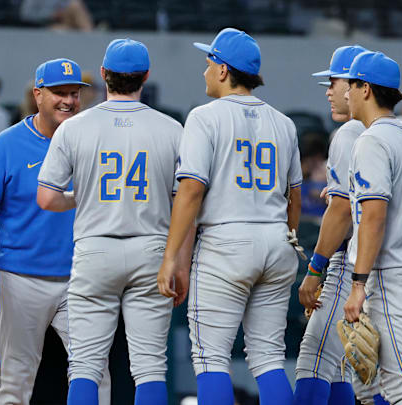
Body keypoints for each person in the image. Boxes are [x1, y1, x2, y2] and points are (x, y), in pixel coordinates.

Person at [37, 39, 188, 405]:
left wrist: (83, 196)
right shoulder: (171, 128)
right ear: (145, 77)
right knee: (150, 367)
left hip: (95, 248)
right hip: (152, 249)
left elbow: (46, 197)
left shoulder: (74, 127)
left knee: (86, 365)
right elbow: (183, 199)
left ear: (104, 74)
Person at [157, 28, 302, 405]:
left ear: (223, 70)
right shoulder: (284, 123)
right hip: (277, 239)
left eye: (209, 64)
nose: (204, 71)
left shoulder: (205, 117)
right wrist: (284, 238)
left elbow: (190, 191)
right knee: (269, 357)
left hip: (226, 241)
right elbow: (295, 197)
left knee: (211, 358)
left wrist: (171, 256)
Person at [0, 58, 111, 405]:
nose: (68, 101)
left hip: (79, 277)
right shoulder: (7, 144)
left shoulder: (93, 142)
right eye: (59, 92)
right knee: (15, 382)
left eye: (74, 93)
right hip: (18, 277)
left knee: (96, 373)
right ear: (38, 94)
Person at [336, 51, 402, 405]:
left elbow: (375, 216)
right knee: (369, 388)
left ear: (365, 89)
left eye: (350, 85)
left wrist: (358, 285)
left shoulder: (373, 139)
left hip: (394, 274)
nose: (345, 93)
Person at [295, 44, 391, 405]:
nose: (329, 91)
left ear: (356, 86)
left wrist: (315, 270)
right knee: (359, 375)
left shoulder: (350, 134)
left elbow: (341, 213)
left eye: (334, 82)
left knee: (315, 359)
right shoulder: (400, 133)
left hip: (354, 266)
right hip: (396, 265)